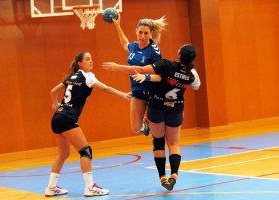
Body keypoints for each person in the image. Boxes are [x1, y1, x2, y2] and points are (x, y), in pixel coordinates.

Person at [102, 44, 201, 191]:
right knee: (173, 143)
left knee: (158, 141)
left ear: (179, 54)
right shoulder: (192, 74)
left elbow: (141, 69)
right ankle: (174, 175)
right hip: (176, 108)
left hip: (157, 106)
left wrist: (117, 67)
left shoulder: (166, 65)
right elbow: (196, 86)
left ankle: (162, 176)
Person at [45, 51, 130, 197]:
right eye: (87, 59)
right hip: (67, 119)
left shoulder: (71, 77)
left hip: (57, 118)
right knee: (86, 151)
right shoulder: (87, 76)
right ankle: (90, 187)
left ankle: (51, 188)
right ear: (80, 63)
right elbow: (105, 88)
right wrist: (123, 94)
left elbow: (53, 91)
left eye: (91, 59)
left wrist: (55, 105)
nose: (91, 61)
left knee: (63, 154)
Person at [112, 13, 167, 136]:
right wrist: (118, 26)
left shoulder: (154, 51)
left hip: (153, 92)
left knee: (160, 130)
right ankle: (145, 122)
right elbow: (125, 44)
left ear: (151, 33)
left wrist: (145, 77)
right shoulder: (134, 46)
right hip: (137, 91)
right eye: (140, 32)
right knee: (135, 128)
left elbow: (159, 76)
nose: (142, 36)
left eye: (146, 33)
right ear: (136, 31)